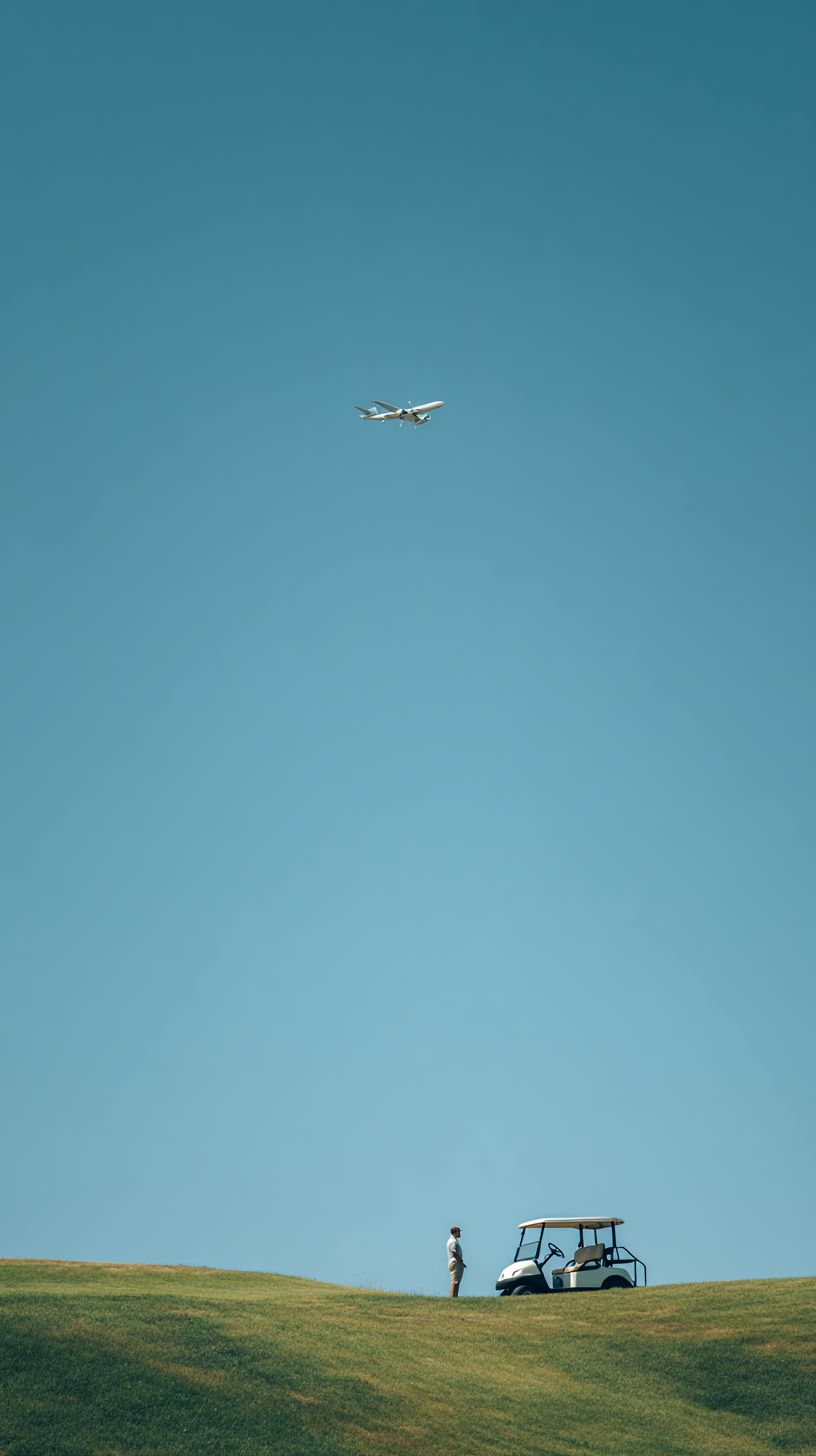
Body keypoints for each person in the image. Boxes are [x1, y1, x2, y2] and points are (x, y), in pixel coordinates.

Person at [447, 1225, 466, 1297]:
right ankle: (452, 1297)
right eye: (459, 1231)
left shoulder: (453, 1240)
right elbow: (453, 1252)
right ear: (455, 1232)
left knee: (456, 1281)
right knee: (454, 1281)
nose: (460, 1233)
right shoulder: (453, 1242)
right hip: (455, 1262)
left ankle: (455, 1297)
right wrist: (460, 1259)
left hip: (456, 1262)